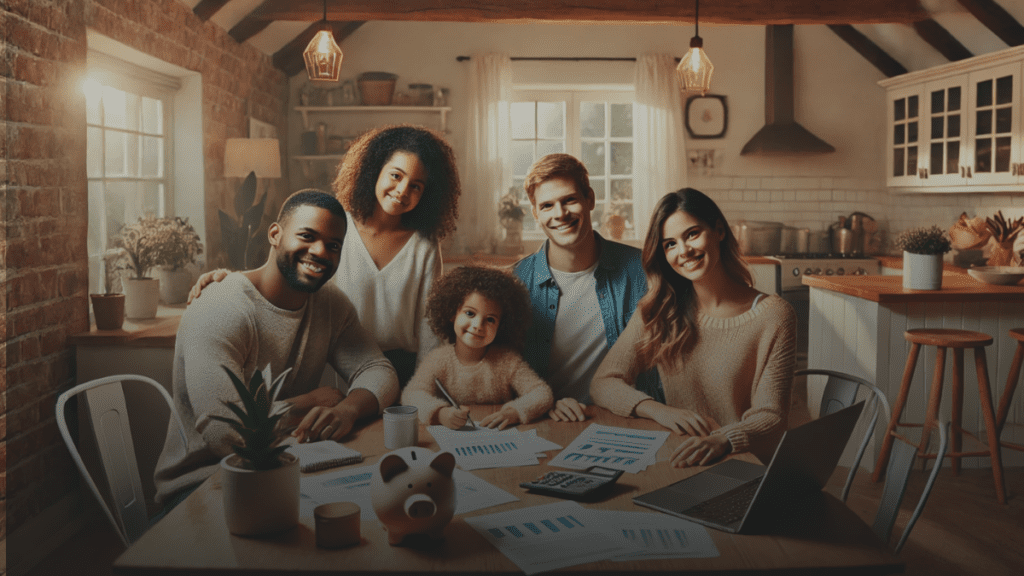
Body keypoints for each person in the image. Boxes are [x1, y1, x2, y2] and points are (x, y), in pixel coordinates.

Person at [155, 190, 399, 508]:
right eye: (307, 236)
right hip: (203, 486)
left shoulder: (330, 304)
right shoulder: (221, 306)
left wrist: (347, 410)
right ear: (275, 234)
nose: (320, 252)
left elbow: (379, 371)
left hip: (289, 466)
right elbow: (226, 434)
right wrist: (304, 405)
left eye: (333, 245)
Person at [191, 124, 461, 385]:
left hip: (404, 372)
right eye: (396, 175)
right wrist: (230, 280)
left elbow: (430, 324)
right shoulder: (334, 229)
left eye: (417, 186)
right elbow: (289, 275)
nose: (403, 190)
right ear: (374, 171)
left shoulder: (424, 245)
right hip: (330, 364)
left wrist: (424, 386)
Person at [590, 188, 797, 468]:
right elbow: (603, 382)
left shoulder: (773, 315)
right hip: (684, 457)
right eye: (670, 244)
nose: (684, 251)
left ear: (719, 231)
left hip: (745, 463)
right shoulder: (660, 310)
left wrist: (723, 439)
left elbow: (771, 417)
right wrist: (659, 411)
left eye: (692, 234)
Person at [511, 153, 661, 423]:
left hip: (627, 419)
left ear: (589, 199)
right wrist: (544, 403)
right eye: (547, 206)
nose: (560, 214)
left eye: (569, 200)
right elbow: (503, 370)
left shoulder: (642, 271)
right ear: (535, 213)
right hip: (547, 420)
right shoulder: (516, 283)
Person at [401, 266, 553, 430]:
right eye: (470, 313)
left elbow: (542, 393)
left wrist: (514, 413)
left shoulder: (508, 361)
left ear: (501, 326)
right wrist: (440, 413)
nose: (478, 325)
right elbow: (410, 395)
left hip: (498, 439)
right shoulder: (437, 360)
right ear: (452, 313)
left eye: (490, 320)